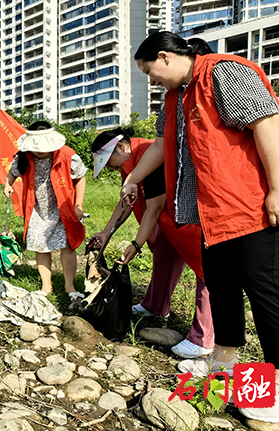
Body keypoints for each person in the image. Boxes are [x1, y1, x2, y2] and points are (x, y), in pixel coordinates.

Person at [125, 31, 279, 423]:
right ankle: (224, 364)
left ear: (165, 57)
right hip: (216, 208)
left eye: (150, 72)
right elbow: (164, 148)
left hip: (259, 198)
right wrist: (134, 178)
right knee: (222, 282)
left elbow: (267, 125)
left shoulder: (222, 73)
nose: (152, 81)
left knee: (264, 282)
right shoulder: (175, 98)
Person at [90, 127, 214, 359]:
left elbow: (154, 207)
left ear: (121, 147)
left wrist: (136, 245)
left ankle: (203, 339)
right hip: (171, 218)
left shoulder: (150, 154)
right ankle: (155, 304)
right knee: (164, 254)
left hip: (194, 215)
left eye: (112, 164)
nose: (112, 169)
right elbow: (128, 200)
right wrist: (106, 232)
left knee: (205, 270)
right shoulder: (131, 161)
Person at [3, 121, 87, 298]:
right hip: (37, 209)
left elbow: (80, 177)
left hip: (64, 207)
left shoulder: (67, 155)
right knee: (40, 246)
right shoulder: (24, 156)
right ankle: (46, 286)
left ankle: (70, 287)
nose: (40, 152)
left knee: (68, 246)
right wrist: (7, 185)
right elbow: (12, 173)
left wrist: (78, 205)